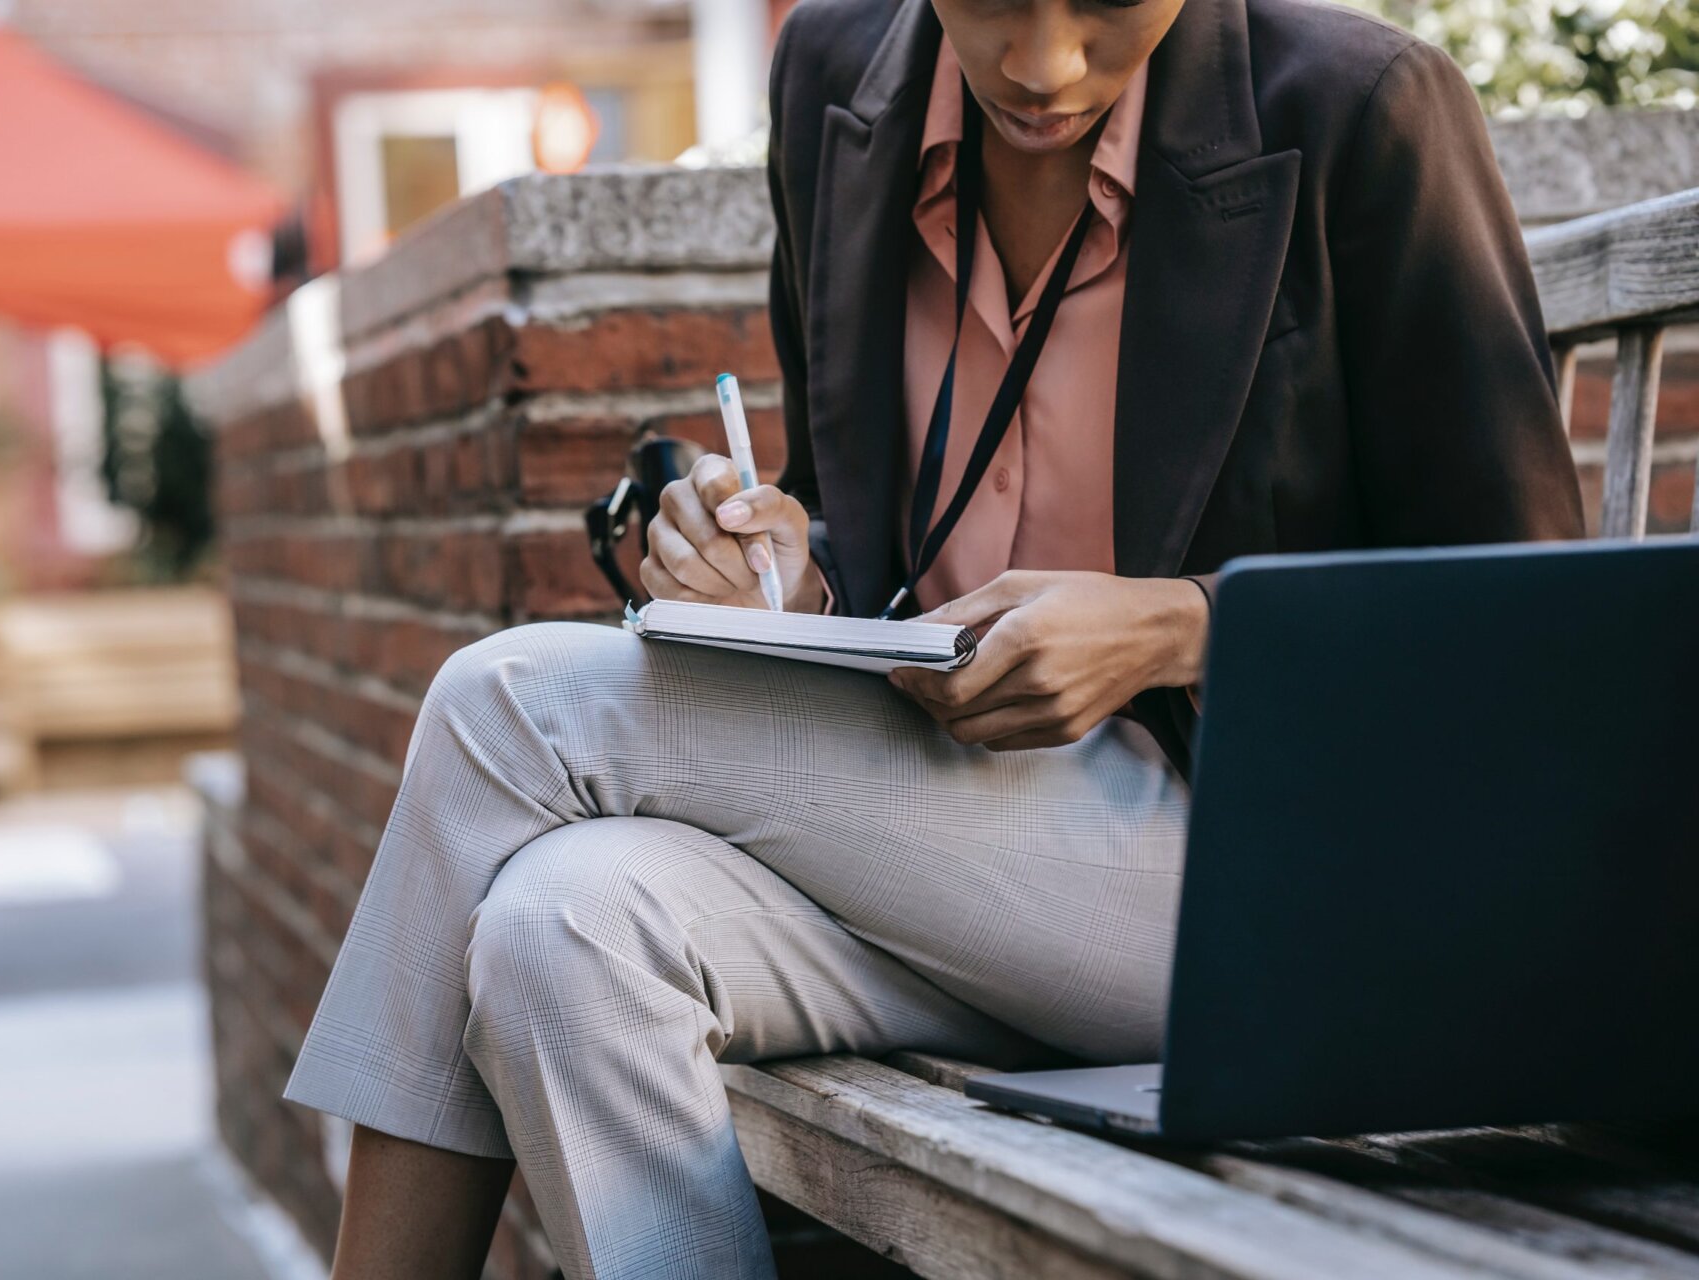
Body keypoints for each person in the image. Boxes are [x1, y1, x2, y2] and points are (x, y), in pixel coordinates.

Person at [284, 0, 1584, 1275]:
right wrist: (787, 586)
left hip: (1278, 896)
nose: (1044, 60)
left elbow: (1538, 641)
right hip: (979, 879)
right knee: (558, 934)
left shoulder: (1364, 109)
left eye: (1108, 4)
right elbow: (875, 539)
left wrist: (1185, 627)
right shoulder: (838, 85)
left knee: (505, 700)